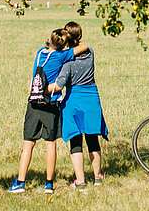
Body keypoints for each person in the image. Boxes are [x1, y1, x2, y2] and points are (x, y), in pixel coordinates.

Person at [9, 28, 88, 194]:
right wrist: (72, 41)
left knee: (28, 144)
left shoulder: (39, 53)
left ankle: (20, 182)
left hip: (34, 103)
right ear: (63, 45)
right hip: (51, 104)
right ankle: (49, 184)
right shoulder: (61, 56)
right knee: (50, 144)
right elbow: (84, 47)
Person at [48, 21, 108, 190]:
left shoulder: (67, 60)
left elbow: (59, 85)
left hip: (73, 100)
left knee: (75, 141)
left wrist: (41, 87)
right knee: (92, 139)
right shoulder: (90, 52)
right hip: (91, 98)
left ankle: (80, 181)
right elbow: (84, 46)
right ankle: (98, 177)